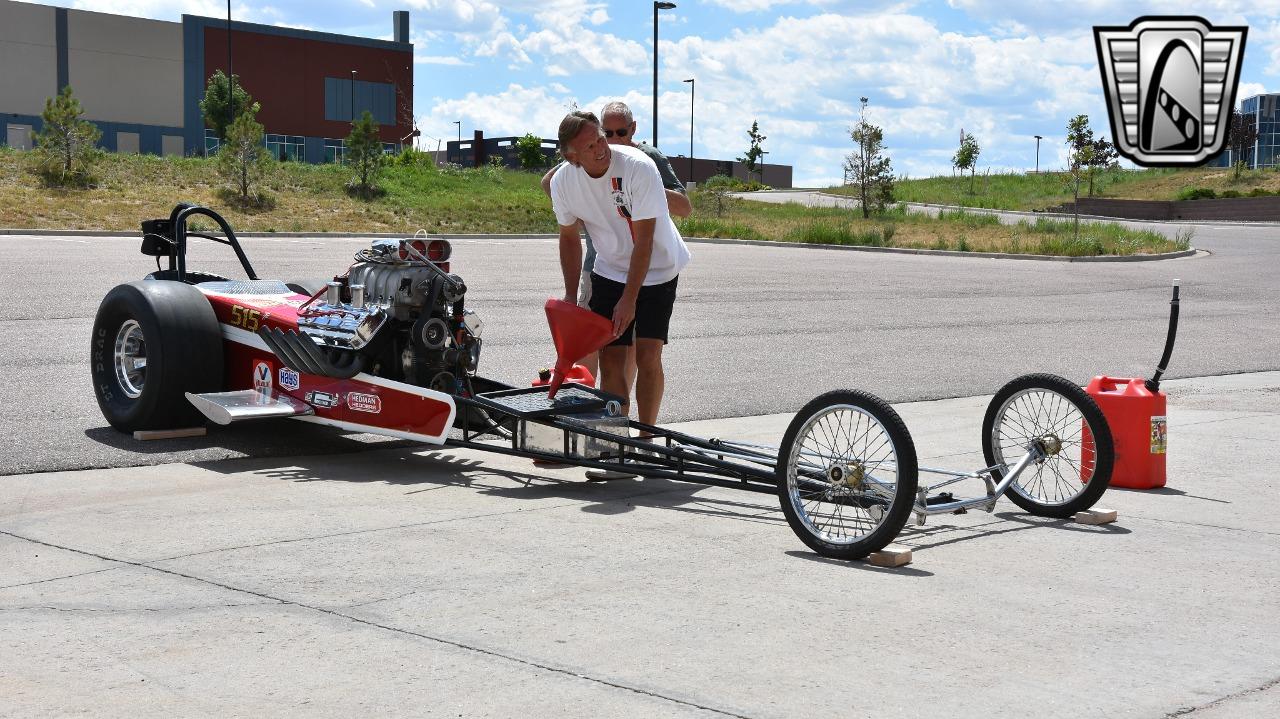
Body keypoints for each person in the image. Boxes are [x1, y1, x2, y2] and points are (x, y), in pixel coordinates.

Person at [549, 109, 691, 457]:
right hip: (609, 268)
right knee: (611, 359)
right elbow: (569, 238)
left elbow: (643, 242)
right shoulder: (563, 182)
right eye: (590, 145)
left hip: (658, 267)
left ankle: (645, 441)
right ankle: (614, 444)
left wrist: (629, 299)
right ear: (571, 156)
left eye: (601, 138)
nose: (601, 147)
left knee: (647, 354)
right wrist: (570, 294)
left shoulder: (638, 168)